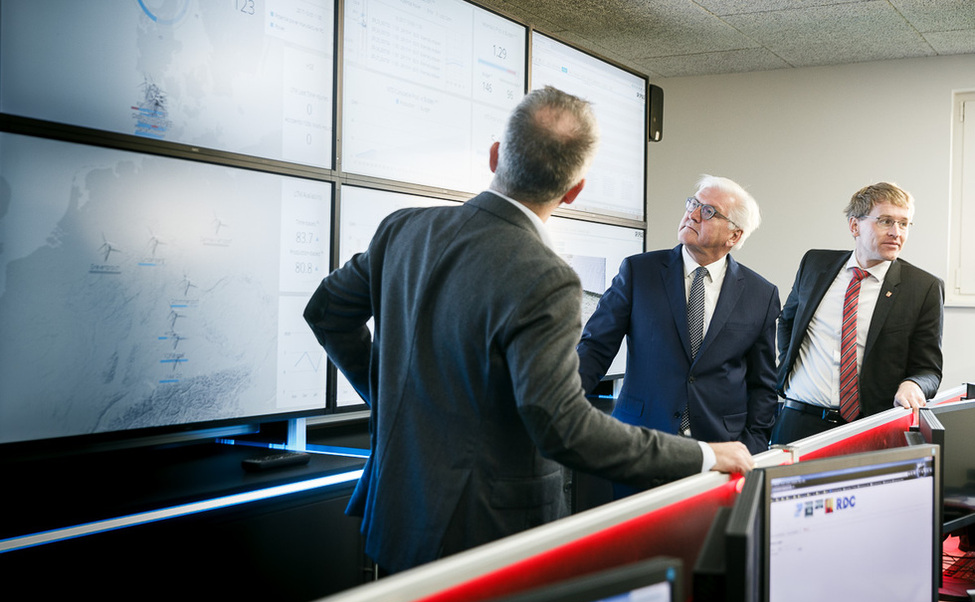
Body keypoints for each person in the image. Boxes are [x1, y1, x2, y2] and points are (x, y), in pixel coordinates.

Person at [303, 87, 754, 575]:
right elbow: (565, 430)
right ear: (574, 189)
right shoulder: (545, 276)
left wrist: (386, 394)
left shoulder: (403, 229)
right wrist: (706, 455)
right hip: (486, 537)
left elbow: (326, 312)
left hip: (394, 509)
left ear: (496, 154)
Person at [577, 175, 780, 460]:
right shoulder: (639, 272)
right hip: (639, 444)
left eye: (708, 211)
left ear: (734, 235)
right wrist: (558, 406)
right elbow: (595, 348)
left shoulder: (761, 294)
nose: (693, 215)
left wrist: (753, 446)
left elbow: (762, 385)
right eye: (693, 203)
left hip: (720, 450)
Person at [772, 181, 944, 445]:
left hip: (869, 428)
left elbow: (928, 370)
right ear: (854, 225)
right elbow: (787, 321)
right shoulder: (815, 264)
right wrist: (788, 366)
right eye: (885, 221)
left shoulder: (923, 288)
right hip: (798, 420)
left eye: (904, 223)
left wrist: (914, 385)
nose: (896, 232)